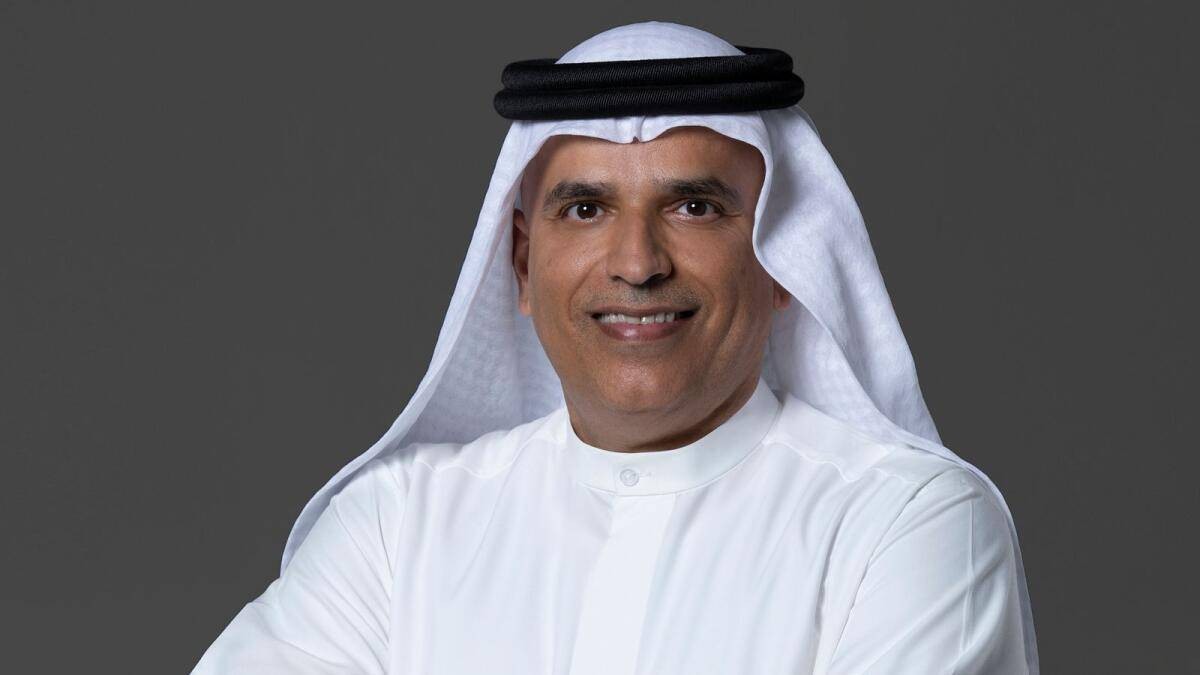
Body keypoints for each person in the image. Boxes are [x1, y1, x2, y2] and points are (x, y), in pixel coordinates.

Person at [192, 21, 1039, 674]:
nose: (637, 263)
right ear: (523, 262)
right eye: (586, 209)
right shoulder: (394, 527)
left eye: (694, 207)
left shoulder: (908, 523)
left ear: (784, 257)